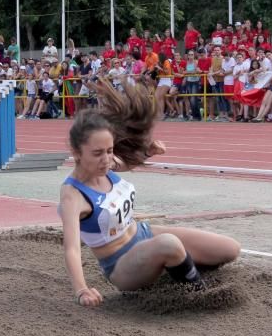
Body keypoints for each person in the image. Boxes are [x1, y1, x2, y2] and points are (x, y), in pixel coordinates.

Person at [59, 84, 241, 305]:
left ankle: (175, 267)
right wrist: (82, 290)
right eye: (97, 153)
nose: (106, 159)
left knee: (230, 249)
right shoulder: (73, 195)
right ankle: (198, 295)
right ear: (76, 152)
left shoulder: (106, 166)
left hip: (144, 235)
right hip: (121, 264)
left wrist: (147, 152)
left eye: (109, 150)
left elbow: (123, 163)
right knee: (169, 244)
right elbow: (72, 248)